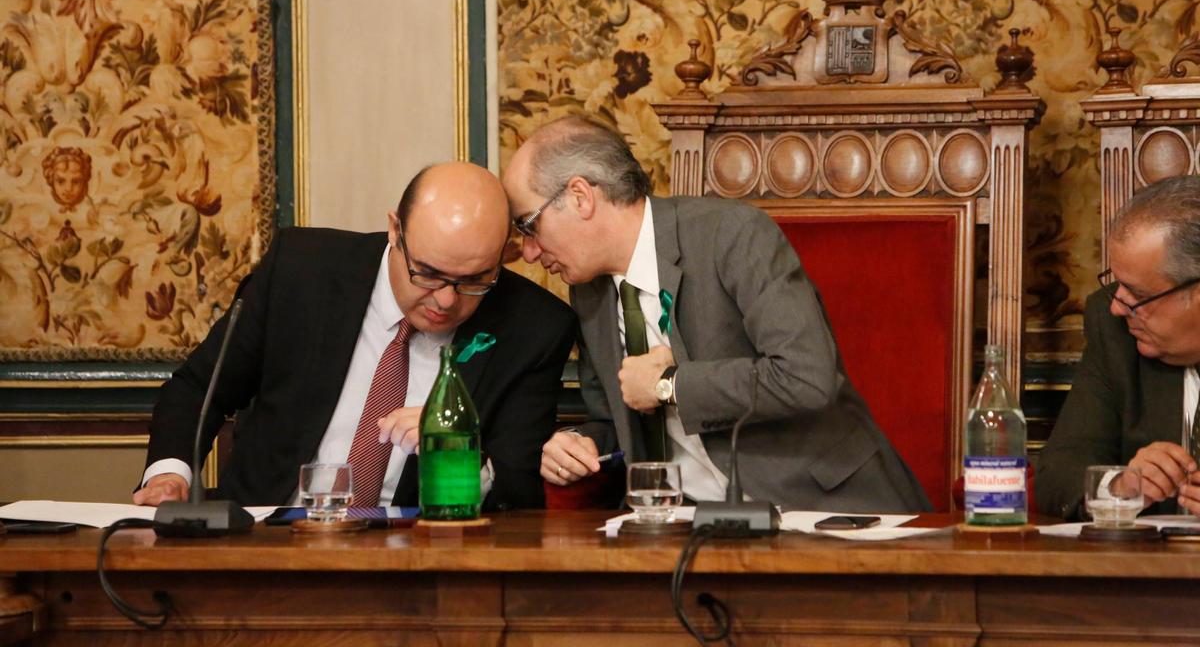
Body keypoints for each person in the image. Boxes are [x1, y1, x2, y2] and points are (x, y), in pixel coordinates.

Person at [502, 117, 928, 512]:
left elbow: (807, 377)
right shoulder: (589, 291)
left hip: (825, 506)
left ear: (580, 197)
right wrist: (579, 442)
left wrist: (671, 385)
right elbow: (617, 413)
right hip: (687, 524)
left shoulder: (733, 235)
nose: (529, 252)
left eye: (529, 225)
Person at [134, 162, 576, 511]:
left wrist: (453, 447)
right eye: (428, 274)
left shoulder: (532, 326)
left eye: (474, 280)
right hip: (267, 541)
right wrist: (169, 474)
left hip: (418, 565)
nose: (445, 300)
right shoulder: (302, 271)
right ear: (394, 231)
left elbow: (519, 490)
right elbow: (198, 389)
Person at [1036, 176, 1200, 520]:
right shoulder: (1115, 330)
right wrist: (1120, 488)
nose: (1117, 306)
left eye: (1138, 295)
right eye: (1118, 284)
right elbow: (1057, 474)